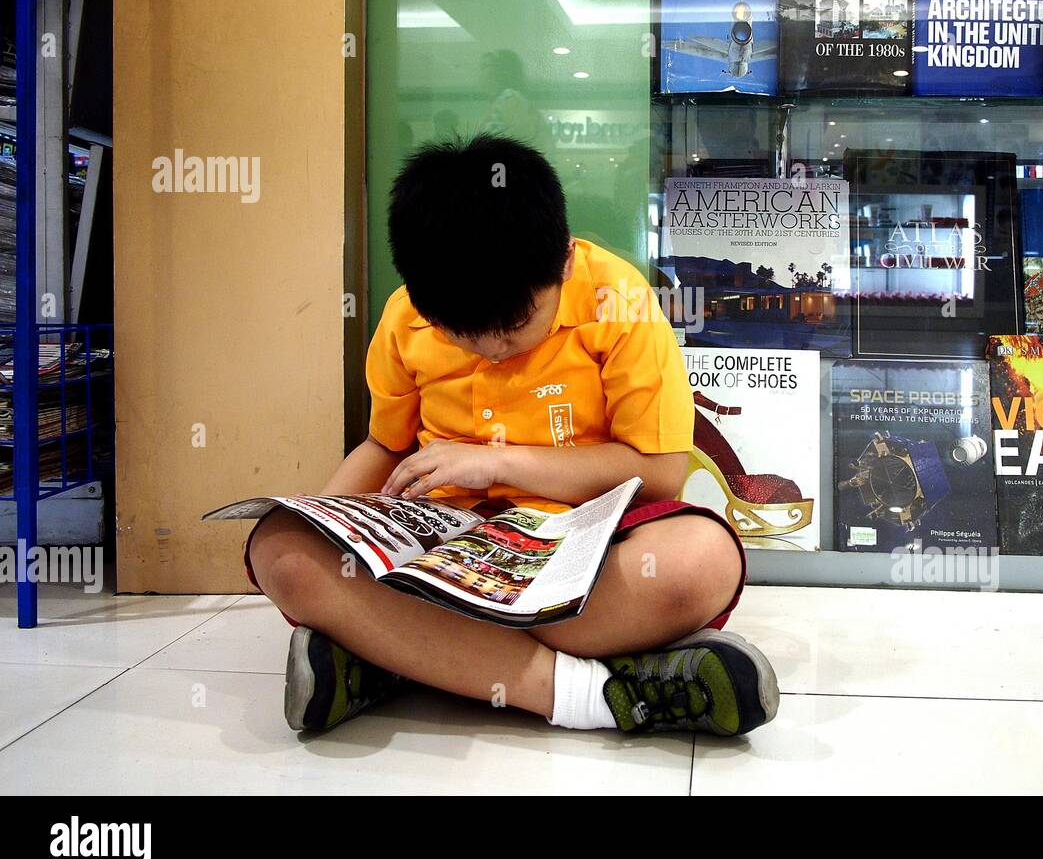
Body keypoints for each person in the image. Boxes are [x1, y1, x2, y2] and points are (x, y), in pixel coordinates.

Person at [245, 134, 777, 737]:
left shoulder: (619, 303)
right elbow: (385, 447)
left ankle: (398, 655)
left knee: (698, 563)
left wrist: (495, 465)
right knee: (282, 550)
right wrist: (325, 523)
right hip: (445, 547)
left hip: (577, 546)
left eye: (515, 326)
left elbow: (657, 474)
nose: (492, 350)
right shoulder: (404, 317)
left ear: (567, 260)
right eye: (462, 336)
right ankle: (598, 689)